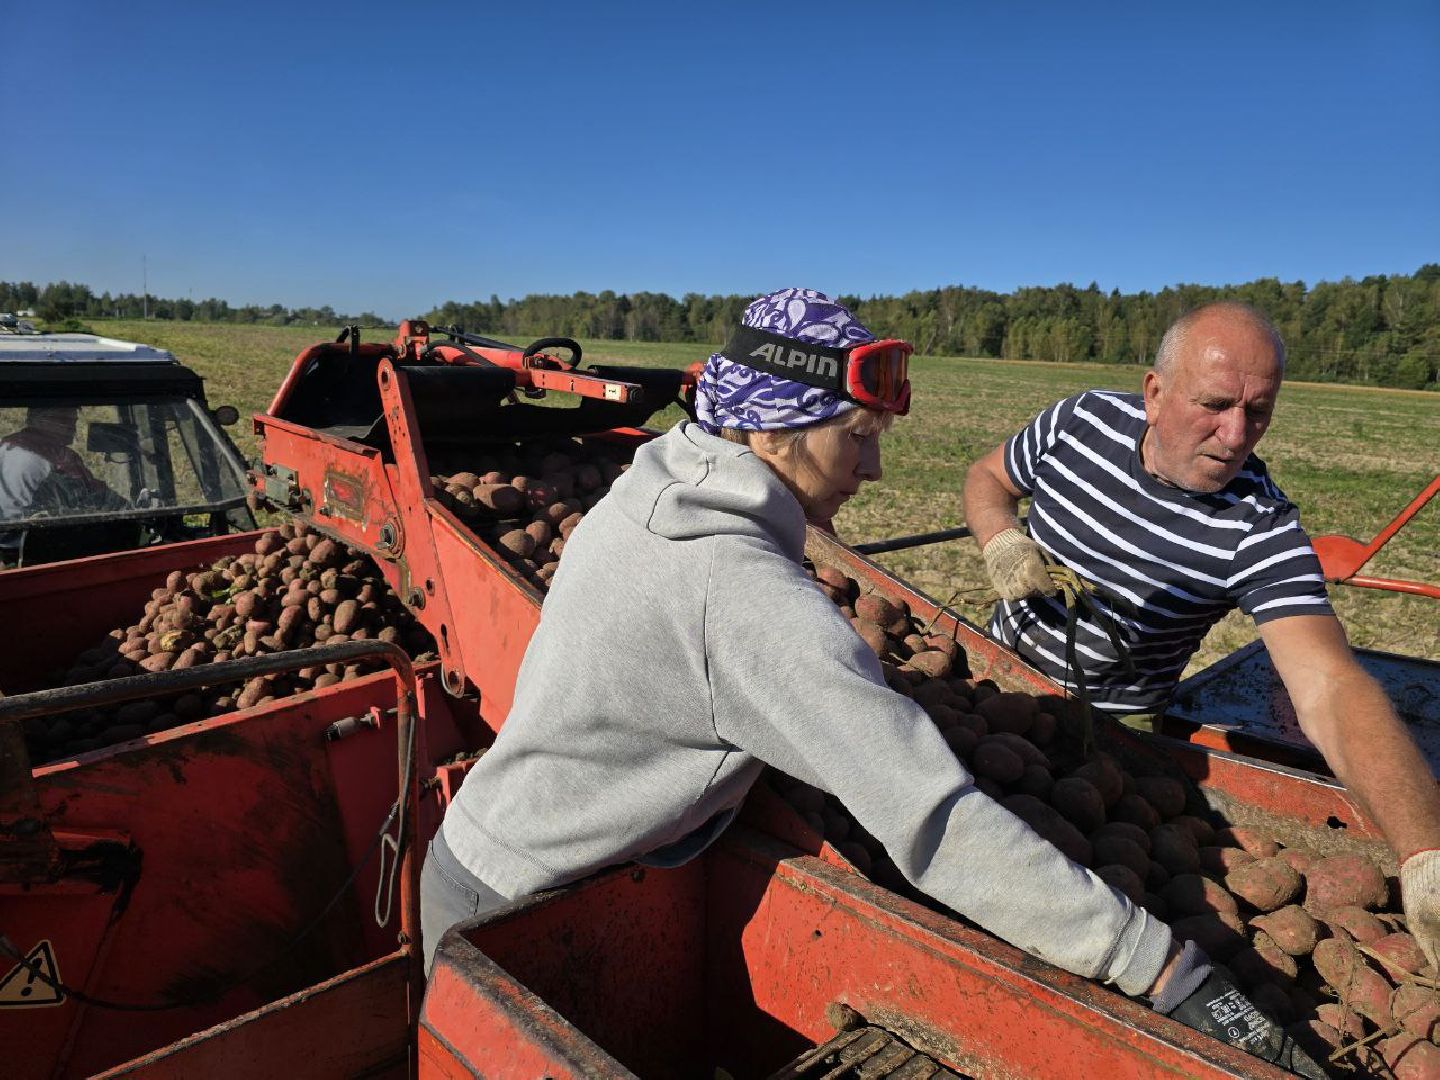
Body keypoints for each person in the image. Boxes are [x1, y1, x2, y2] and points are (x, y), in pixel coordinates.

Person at [422, 289, 1320, 1074]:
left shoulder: (659, 479)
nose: (876, 467)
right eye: (857, 438)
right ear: (769, 428)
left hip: (504, 859)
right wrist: (1157, 966)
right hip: (520, 911)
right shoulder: (744, 600)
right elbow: (937, 826)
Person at [965, 300, 1440, 973]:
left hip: (1108, 739)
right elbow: (988, 477)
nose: (1236, 433)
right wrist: (1001, 538)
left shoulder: (1260, 526)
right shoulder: (1080, 422)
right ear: (1155, 394)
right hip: (985, 674)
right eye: (1215, 404)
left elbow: (1329, 685)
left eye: (1259, 412)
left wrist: (1426, 854)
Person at [0, 406, 107, 521]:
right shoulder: (27, 458)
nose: (72, 428)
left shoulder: (61, 455)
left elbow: (94, 493)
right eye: (64, 421)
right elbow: (13, 517)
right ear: (39, 421)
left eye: (74, 422)